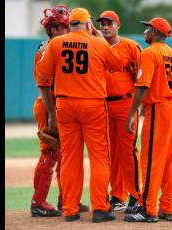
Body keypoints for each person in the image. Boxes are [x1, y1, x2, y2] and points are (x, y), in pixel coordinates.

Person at [36, 8, 124, 223]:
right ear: (87, 24)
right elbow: (117, 64)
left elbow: (43, 74)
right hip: (92, 105)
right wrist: (100, 37)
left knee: (70, 159)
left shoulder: (56, 44)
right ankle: (100, 209)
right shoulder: (98, 42)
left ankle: (69, 208)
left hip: (65, 105)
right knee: (99, 158)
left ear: (71, 24)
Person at [124, 17, 172, 223]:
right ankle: (168, 208)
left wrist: (133, 111)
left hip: (160, 107)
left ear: (157, 32)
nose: (145, 32)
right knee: (170, 160)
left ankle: (147, 208)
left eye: (148, 28)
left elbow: (142, 86)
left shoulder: (149, 53)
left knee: (151, 159)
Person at [30, 5, 88, 217]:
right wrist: (52, 114)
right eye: (65, 27)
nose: (69, 30)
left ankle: (67, 198)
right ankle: (38, 202)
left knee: (66, 155)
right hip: (48, 104)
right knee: (50, 152)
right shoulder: (47, 49)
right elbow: (44, 85)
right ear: (54, 29)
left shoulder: (63, 46)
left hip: (61, 105)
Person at [95, 10, 143, 213]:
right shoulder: (95, 46)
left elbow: (142, 78)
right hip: (103, 104)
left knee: (128, 151)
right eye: (102, 23)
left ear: (118, 25)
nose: (105, 26)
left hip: (126, 104)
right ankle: (117, 195)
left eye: (109, 23)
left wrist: (138, 108)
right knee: (110, 154)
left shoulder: (131, 46)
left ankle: (136, 195)